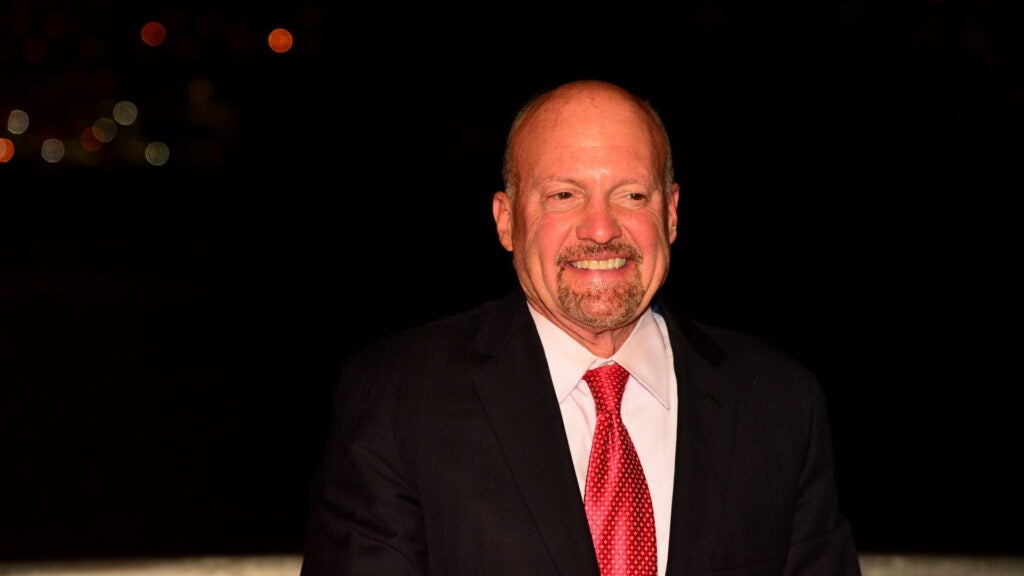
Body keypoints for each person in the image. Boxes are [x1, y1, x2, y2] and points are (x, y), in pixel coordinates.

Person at [299, 79, 861, 575]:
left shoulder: (780, 401)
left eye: (631, 195)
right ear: (506, 221)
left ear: (670, 213)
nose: (600, 228)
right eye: (564, 195)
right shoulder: (400, 398)